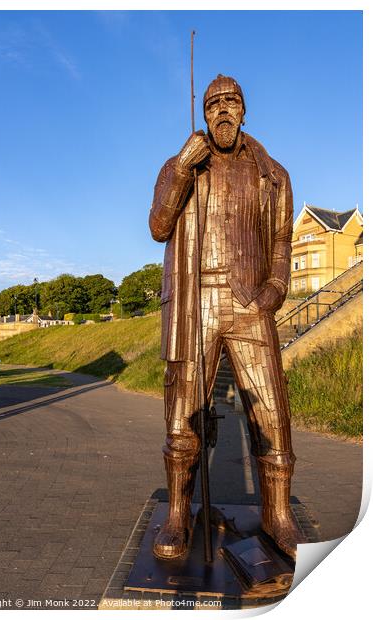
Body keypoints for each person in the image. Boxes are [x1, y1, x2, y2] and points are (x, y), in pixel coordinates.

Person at [149, 74, 305, 561]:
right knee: (182, 414)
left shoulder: (273, 174)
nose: (222, 110)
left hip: (248, 304)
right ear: (203, 112)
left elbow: (281, 244)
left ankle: (278, 515)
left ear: (244, 110)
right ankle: (178, 514)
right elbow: (158, 226)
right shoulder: (181, 166)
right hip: (195, 304)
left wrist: (273, 291)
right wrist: (180, 170)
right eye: (214, 102)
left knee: (271, 413)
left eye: (231, 101)